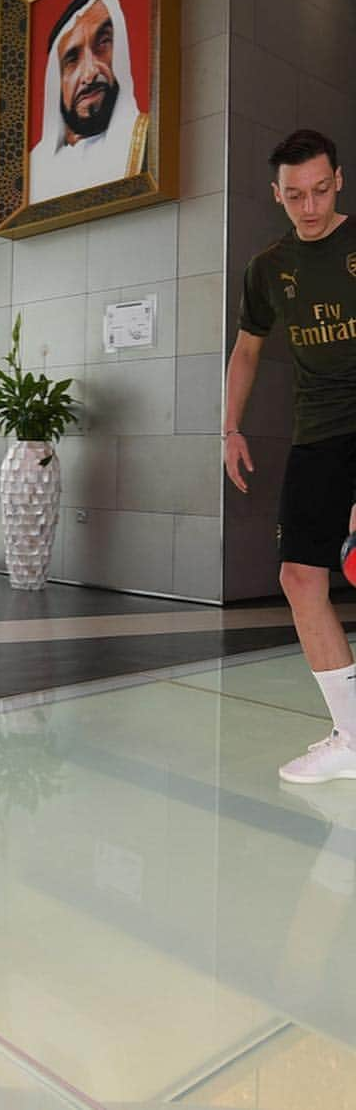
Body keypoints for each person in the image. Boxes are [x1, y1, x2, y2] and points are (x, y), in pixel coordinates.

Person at [224, 128, 356, 784]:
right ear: (276, 194)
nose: (310, 207)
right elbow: (248, 348)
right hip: (316, 435)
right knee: (300, 578)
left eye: (322, 191)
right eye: (296, 195)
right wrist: (230, 428)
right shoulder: (268, 268)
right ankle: (353, 737)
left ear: (339, 181)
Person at [28, 0, 147, 204]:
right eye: (72, 59)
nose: (90, 73)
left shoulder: (146, 143)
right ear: (56, 81)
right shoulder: (32, 170)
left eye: (103, 43)